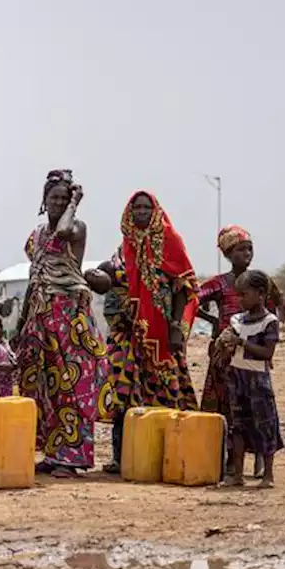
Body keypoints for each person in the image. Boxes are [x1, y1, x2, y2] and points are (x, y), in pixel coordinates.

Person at [87, 190, 199, 475]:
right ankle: (122, 456)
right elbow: (109, 281)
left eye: (146, 207)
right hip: (126, 335)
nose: (140, 212)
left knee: (166, 391)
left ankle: (168, 454)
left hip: (160, 335)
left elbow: (183, 289)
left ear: (155, 210)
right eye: (136, 207)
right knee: (122, 392)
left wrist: (177, 328)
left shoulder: (170, 243)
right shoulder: (123, 249)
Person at [18, 170, 108, 477]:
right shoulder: (36, 235)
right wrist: (22, 323)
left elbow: (65, 229)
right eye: (53, 197)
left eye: (63, 197)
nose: (57, 203)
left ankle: (73, 457)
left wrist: (76, 202)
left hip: (69, 316)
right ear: (43, 200)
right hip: (42, 316)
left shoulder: (76, 227)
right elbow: (34, 276)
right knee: (46, 387)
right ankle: (55, 453)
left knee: (73, 385)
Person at [196, 224, 285, 477]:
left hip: (251, 353)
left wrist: (271, 329)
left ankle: (257, 458)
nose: (246, 254)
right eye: (239, 249)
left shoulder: (261, 282)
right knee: (226, 404)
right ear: (227, 253)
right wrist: (213, 321)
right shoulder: (219, 283)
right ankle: (227, 460)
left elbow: (279, 302)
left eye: (249, 248)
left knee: (255, 406)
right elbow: (194, 299)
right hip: (224, 352)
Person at [217, 270, 283, 488]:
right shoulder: (237, 319)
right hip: (237, 377)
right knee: (238, 426)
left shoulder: (270, 322)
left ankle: (268, 475)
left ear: (261, 294)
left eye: (244, 295)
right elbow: (228, 349)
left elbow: (267, 353)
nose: (241, 300)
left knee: (265, 424)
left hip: (258, 379)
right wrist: (224, 346)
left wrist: (241, 342)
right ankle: (238, 474)